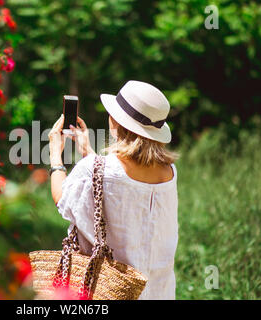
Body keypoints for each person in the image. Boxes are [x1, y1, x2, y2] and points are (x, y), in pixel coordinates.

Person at [47, 80, 179, 299]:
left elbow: (62, 199)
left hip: (111, 289)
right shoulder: (170, 172)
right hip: (159, 290)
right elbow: (120, 188)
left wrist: (55, 155)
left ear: (117, 122)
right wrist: (88, 152)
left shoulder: (96, 168)